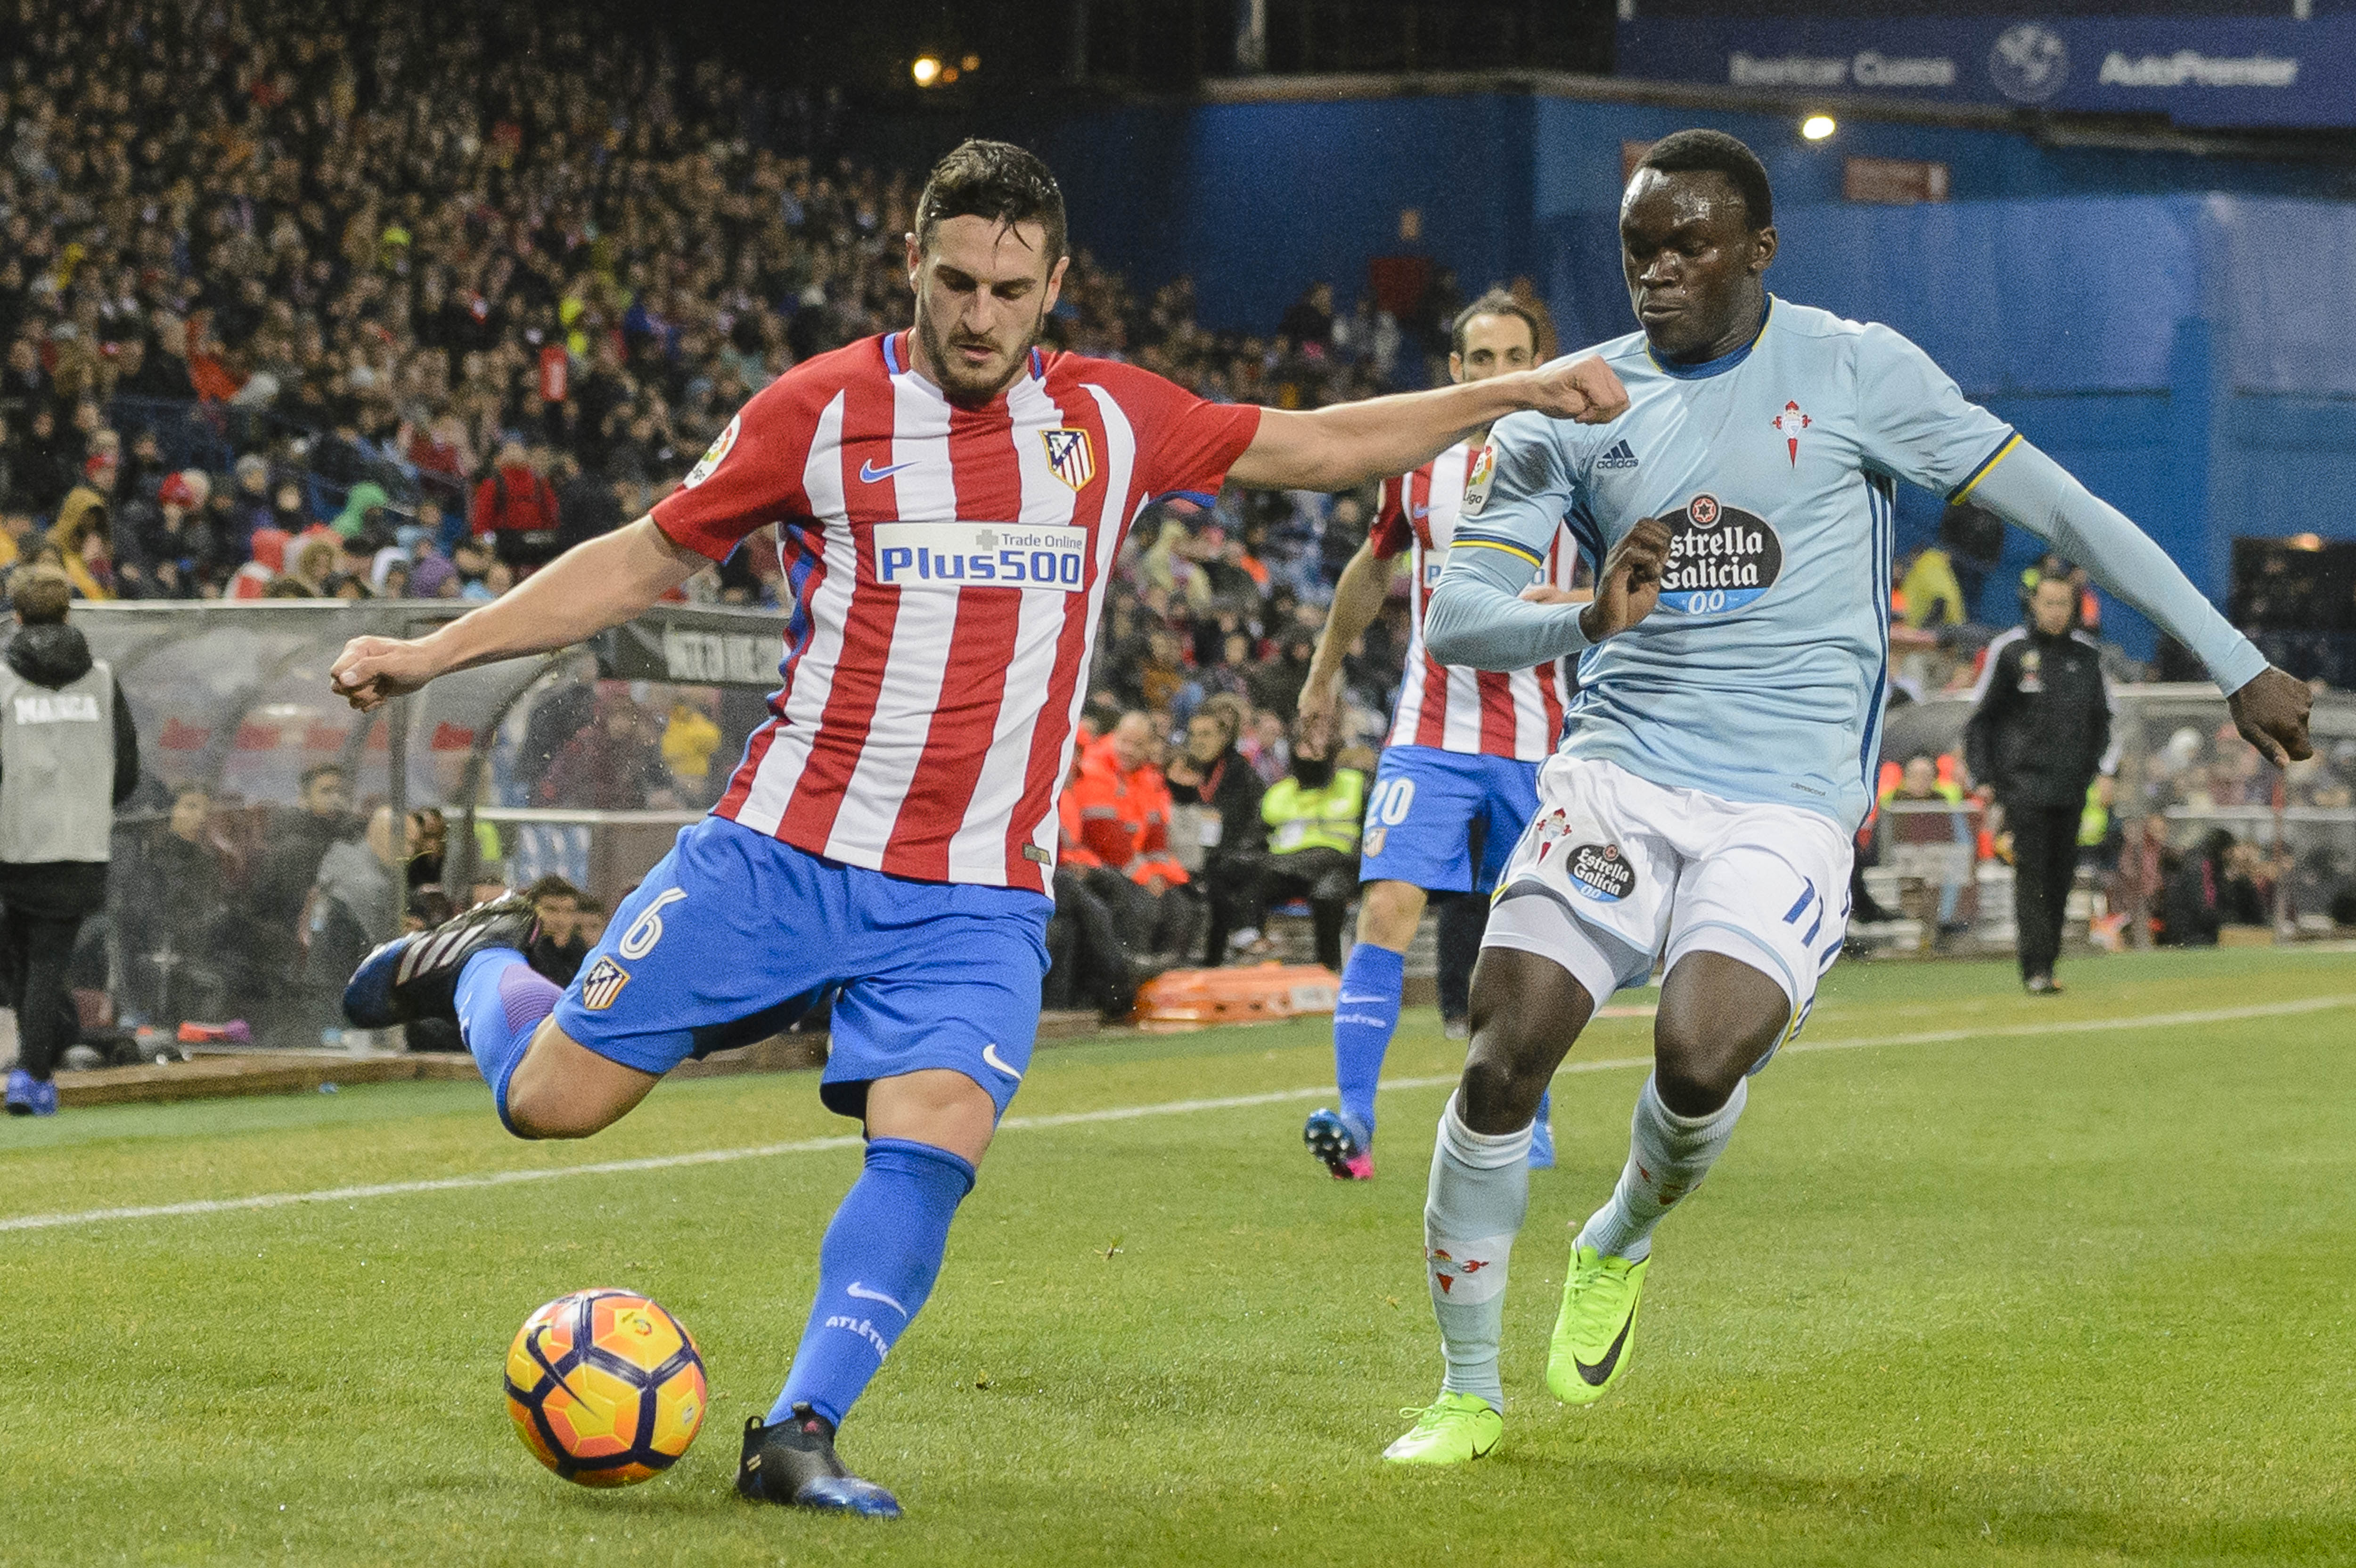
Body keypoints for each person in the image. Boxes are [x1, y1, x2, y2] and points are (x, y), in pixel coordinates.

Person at [325, 139, 1627, 1517]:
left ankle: (797, 1428)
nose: (977, 313)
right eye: (953, 280)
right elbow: (641, 554)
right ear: (912, 265)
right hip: (785, 846)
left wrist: (1520, 390)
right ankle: (473, 963)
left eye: (1009, 287)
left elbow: (1319, 445)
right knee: (550, 1102)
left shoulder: (1112, 423)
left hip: (974, 890)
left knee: (934, 1137)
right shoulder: (817, 411)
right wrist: (435, 649)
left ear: (1053, 284)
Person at [1381, 128, 2313, 1467]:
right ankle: (1466, 1392)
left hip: (1786, 798)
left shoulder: (1858, 370)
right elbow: (1458, 619)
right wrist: (1587, 614)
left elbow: (2068, 511)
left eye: (1690, 246)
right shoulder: (1573, 403)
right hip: (1620, 774)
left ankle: (1621, 1233)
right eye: (1639, 250)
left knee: (1700, 1055)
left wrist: (2232, 659)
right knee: (1500, 1049)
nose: (1657, 274)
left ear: (1761, 250)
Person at [1295, 288, 1578, 1183]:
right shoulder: (1420, 469)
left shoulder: (1587, 464)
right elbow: (1373, 566)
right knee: (1386, 904)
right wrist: (1324, 667)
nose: (1499, 376)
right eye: (1480, 361)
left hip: (1542, 738)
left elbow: (1632, 583)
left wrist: (1566, 605)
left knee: (1534, 936)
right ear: (1456, 373)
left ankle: (1524, 1119)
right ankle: (1356, 1120)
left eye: (1514, 358)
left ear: (1543, 363)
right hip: (1432, 729)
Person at [0, 573, 139, 1115]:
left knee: (23, 959)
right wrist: (87, 800)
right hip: (80, 842)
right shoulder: (102, 680)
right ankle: (32, 1074)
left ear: (16, 617)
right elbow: (126, 769)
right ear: (68, 617)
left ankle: (29, 1070)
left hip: (14, 841)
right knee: (47, 961)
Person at [1964, 575, 2116, 992]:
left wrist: (2105, 770)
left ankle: (2047, 961)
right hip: (2023, 785)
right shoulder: (2011, 651)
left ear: (2074, 607)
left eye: (2063, 604)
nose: (2056, 611)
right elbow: (1982, 719)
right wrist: (1985, 776)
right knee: (2031, 874)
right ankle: (2035, 968)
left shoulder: (2088, 657)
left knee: (2061, 876)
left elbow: (2105, 719)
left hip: (2071, 786)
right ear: (2034, 604)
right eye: (2048, 603)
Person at [1252, 715, 1366, 971]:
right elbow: (1255, 843)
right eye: (1306, 745)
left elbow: (1370, 840)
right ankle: (1249, 954)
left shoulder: (1356, 785)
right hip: (1285, 870)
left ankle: (1329, 969)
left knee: (1328, 895)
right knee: (1250, 880)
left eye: (1320, 745)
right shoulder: (1276, 794)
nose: (1313, 753)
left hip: (1341, 868)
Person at [1162, 696, 1266, 965]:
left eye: (1207, 734)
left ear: (1224, 736)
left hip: (1226, 859)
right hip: (1181, 857)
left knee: (1225, 883)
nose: (1199, 741)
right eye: (1194, 734)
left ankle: (1218, 959)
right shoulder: (1177, 771)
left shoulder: (1242, 774)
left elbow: (1254, 822)